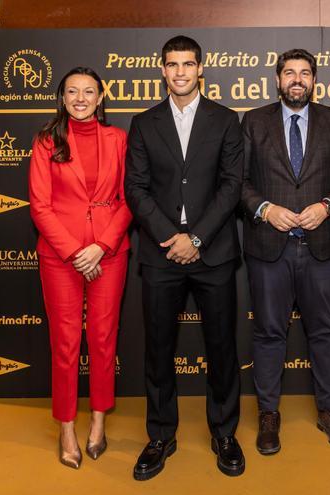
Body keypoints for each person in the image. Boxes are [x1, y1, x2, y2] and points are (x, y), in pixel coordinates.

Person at [125, 35, 244, 480]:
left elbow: (232, 185)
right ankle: (160, 435)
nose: (180, 72)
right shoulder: (144, 123)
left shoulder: (226, 119)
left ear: (200, 69)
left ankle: (224, 433)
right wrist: (169, 237)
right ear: (162, 70)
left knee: (222, 348)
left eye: (187, 64)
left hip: (213, 252)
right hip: (161, 254)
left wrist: (195, 237)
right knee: (158, 350)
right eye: (172, 64)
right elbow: (135, 188)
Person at [240, 48, 330, 455]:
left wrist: (326, 206)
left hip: (322, 247)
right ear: (277, 79)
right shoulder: (254, 121)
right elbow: (237, 180)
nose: (297, 79)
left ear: (314, 80)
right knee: (269, 333)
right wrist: (265, 208)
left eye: (305, 73)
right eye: (289, 72)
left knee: (325, 331)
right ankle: (268, 414)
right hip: (268, 248)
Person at [28, 66, 132, 469]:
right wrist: (76, 252)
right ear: (62, 97)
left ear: (101, 97)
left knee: (104, 340)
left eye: (89, 91)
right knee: (65, 343)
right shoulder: (46, 141)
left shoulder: (118, 139)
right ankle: (67, 426)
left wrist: (101, 246)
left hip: (109, 253)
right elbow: (40, 206)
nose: (81, 99)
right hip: (61, 257)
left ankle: (99, 420)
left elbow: (129, 199)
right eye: (72, 91)